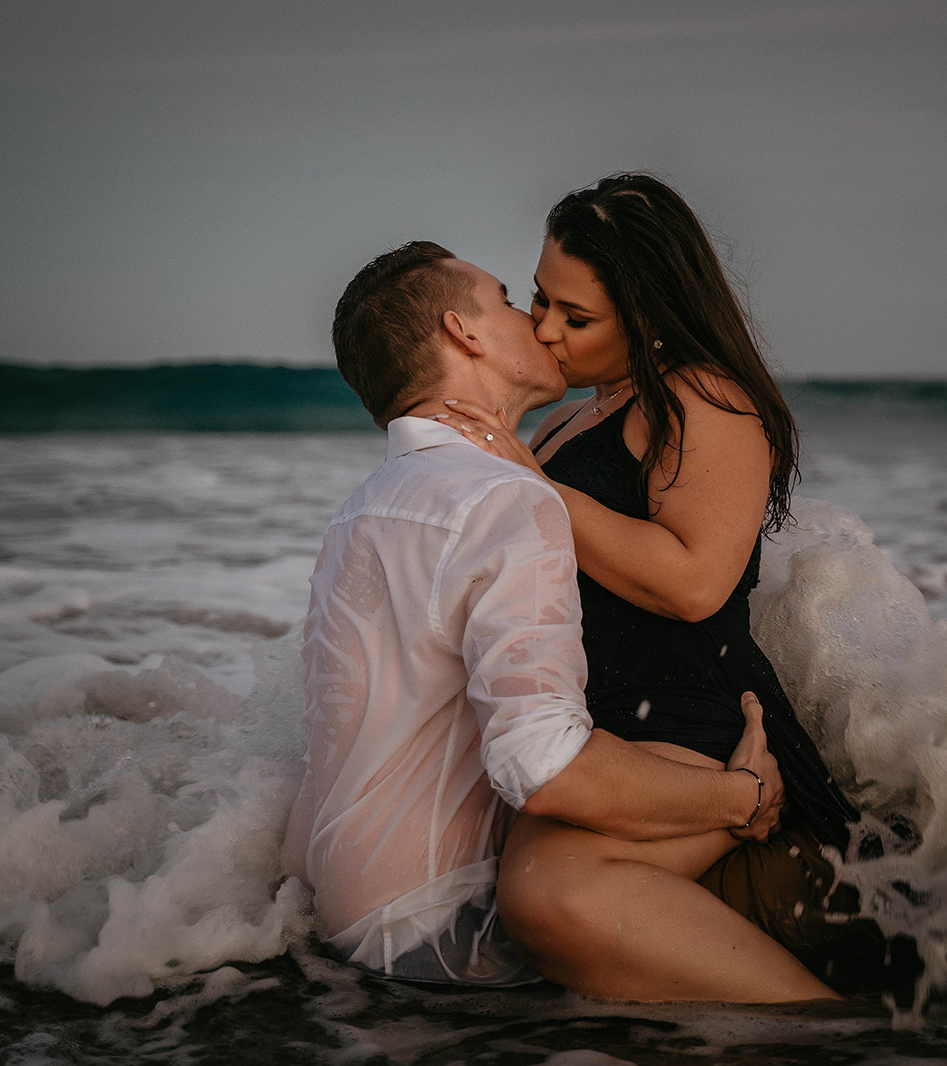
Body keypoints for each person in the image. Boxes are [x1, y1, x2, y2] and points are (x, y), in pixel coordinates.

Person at [280, 240, 839, 1003]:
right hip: (444, 931)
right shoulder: (506, 496)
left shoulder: (366, 506)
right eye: (512, 299)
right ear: (465, 333)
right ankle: (845, 1034)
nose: (537, 325)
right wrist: (740, 796)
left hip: (342, 914)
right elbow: (540, 764)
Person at [440, 174, 922, 1002]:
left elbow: (696, 583)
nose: (546, 330)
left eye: (577, 317)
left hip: (688, 726)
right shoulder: (573, 416)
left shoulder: (706, 399)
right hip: (602, 731)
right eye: (539, 300)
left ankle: (833, 1034)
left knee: (548, 900)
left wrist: (532, 484)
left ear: (653, 317)